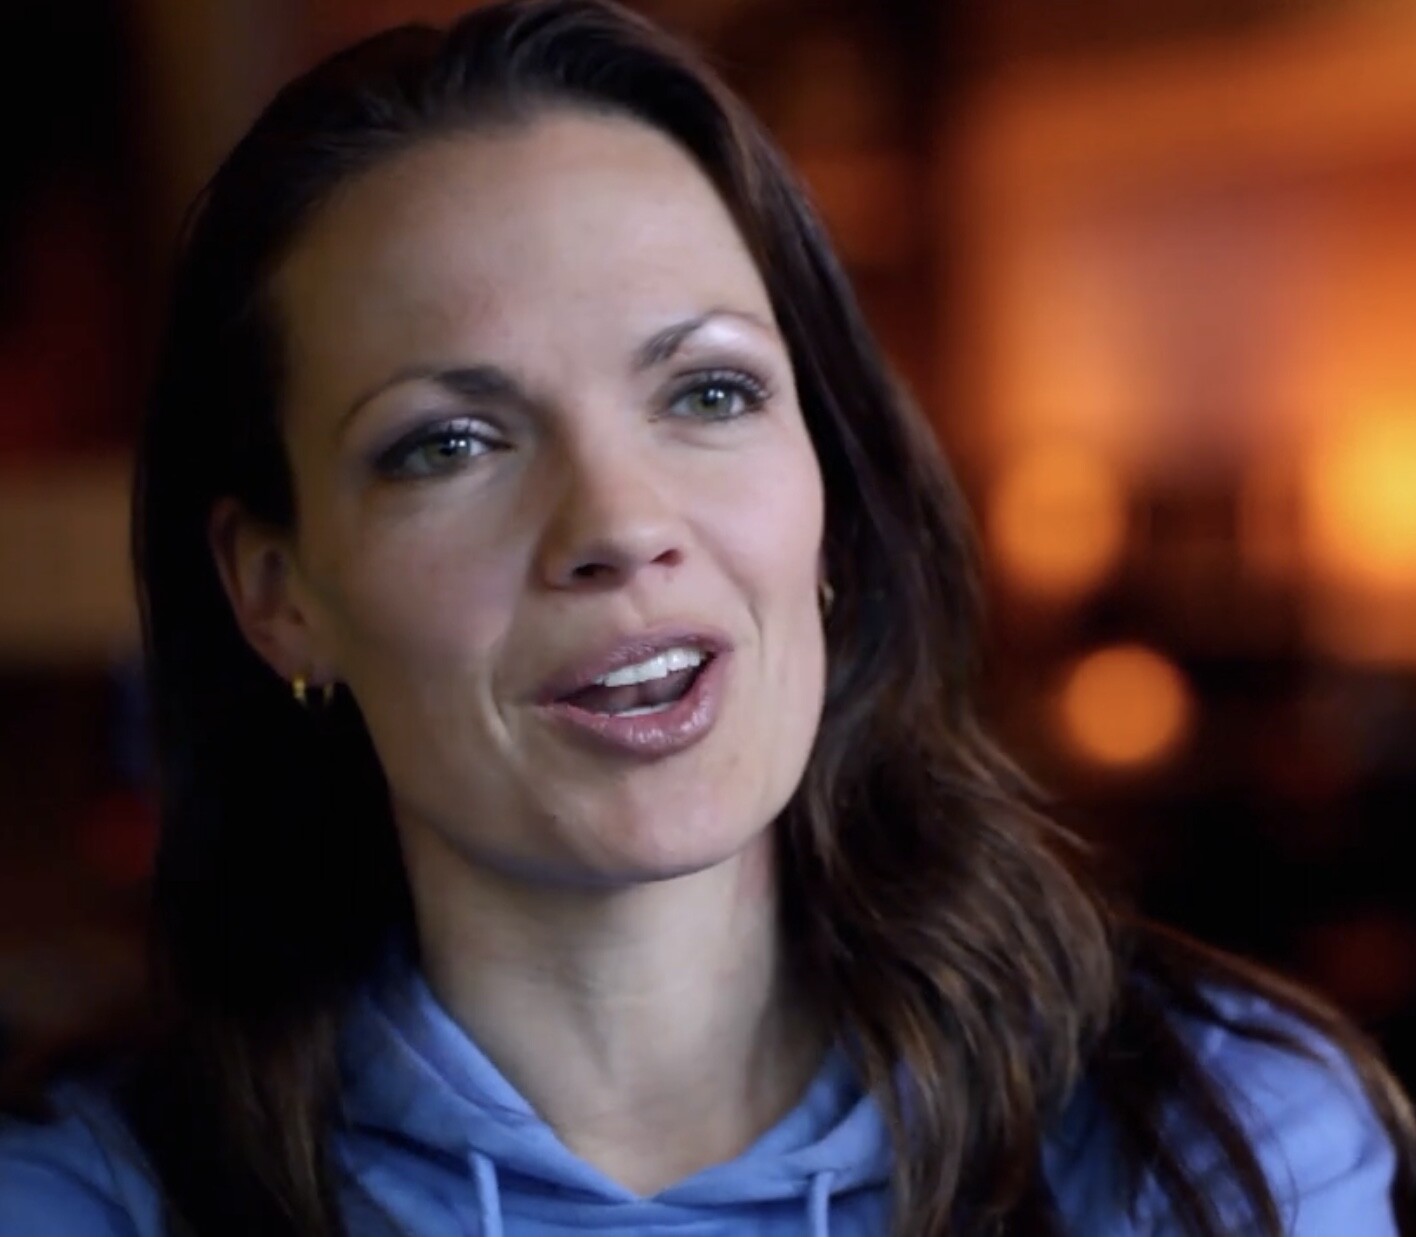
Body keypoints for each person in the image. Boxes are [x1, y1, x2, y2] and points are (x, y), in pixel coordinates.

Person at [1, 1, 1413, 1233]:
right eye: (451, 443)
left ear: (830, 488)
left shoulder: (1220, 1145)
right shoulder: (84, 1202)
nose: (620, 524)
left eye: (710, 392)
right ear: (279, 594)